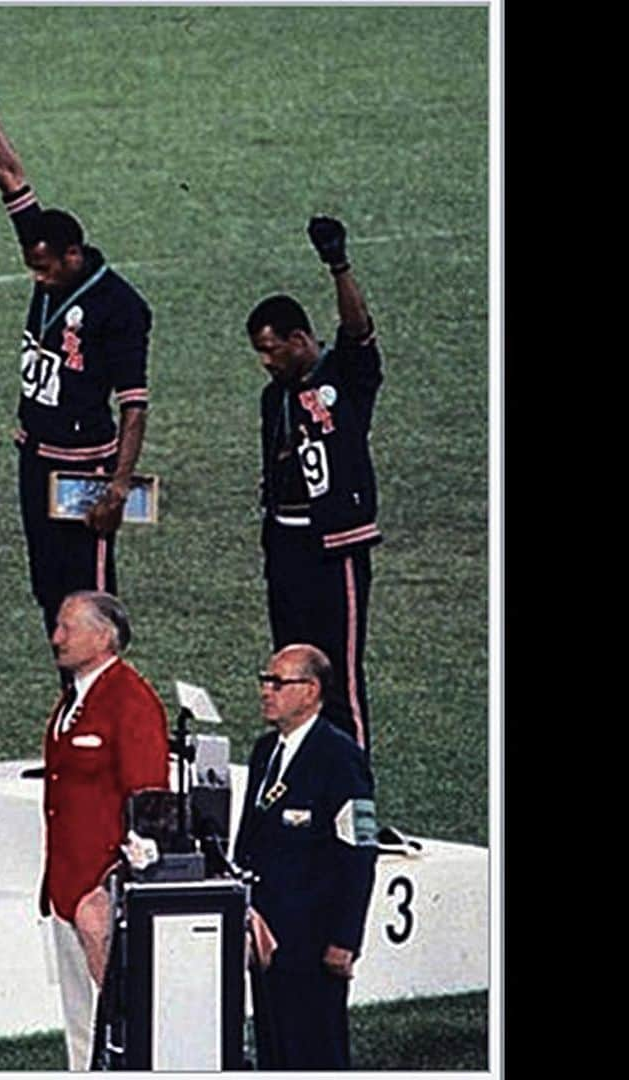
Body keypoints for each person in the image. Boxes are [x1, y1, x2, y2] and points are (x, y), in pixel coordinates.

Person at [0, 51, 154, 641]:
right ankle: (70, 706)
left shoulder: (121, 307)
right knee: (47, 592)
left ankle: (103, 716)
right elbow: (8, 173)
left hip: (84, 467)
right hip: (35, 457)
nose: (36, 278)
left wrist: (117, 488)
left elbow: (134, 405)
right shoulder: (45, 247)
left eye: (44, 270)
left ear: (73, 255)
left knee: (88, 599)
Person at [247, 216, 383, 755]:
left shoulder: (343, 377)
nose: (265, 361)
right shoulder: (273, 396)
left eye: (272, 349)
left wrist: (338, 265)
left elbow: (359, 332)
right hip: (285, 543)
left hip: (335, 545)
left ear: (300, 339)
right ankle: (304, 781)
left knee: (339, 675)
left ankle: (357, 797)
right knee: (291, 668)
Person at [40, 591, 170, 1069]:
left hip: (101, 891)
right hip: (64, 887)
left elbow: (149, 801)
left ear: (103, 636)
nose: (55, 638)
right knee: (80, 1021)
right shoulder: (73, 698)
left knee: (117, 1018)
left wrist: (115, 883)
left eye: (67, 628)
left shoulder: (130, 699)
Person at [233, 644, 378, 1070]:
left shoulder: (339, 757)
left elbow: (358, 852)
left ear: (311, 691)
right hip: (266, 935)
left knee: (314, 1051)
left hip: (314, 940)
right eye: (266, 680)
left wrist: (345, 940)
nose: (266, 691)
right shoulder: (265, 753)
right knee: (275, 1048)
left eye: (278, 682)